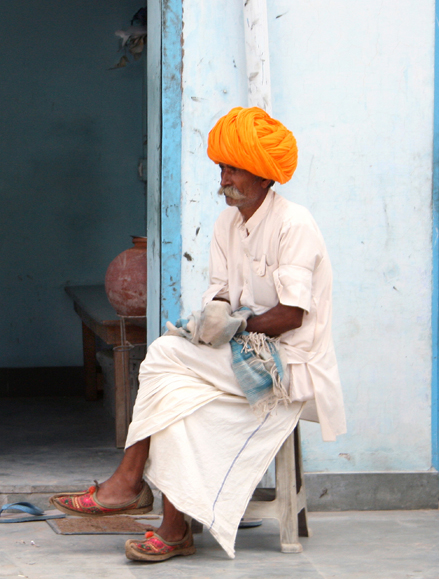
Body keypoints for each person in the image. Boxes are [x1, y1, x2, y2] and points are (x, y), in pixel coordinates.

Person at [50, 106, 345, 562]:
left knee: (165, 353)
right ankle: (170, 526)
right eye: (222, 168)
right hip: (241, 354)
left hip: (289, 364)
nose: (224, 178)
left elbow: (292, 316)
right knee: (176, 391)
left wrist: (237, 323)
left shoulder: (295, 223)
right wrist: (214, 318)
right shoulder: (227, 223)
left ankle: (131, 484)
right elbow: (222, 294)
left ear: (266, 177)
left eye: (235, 169)